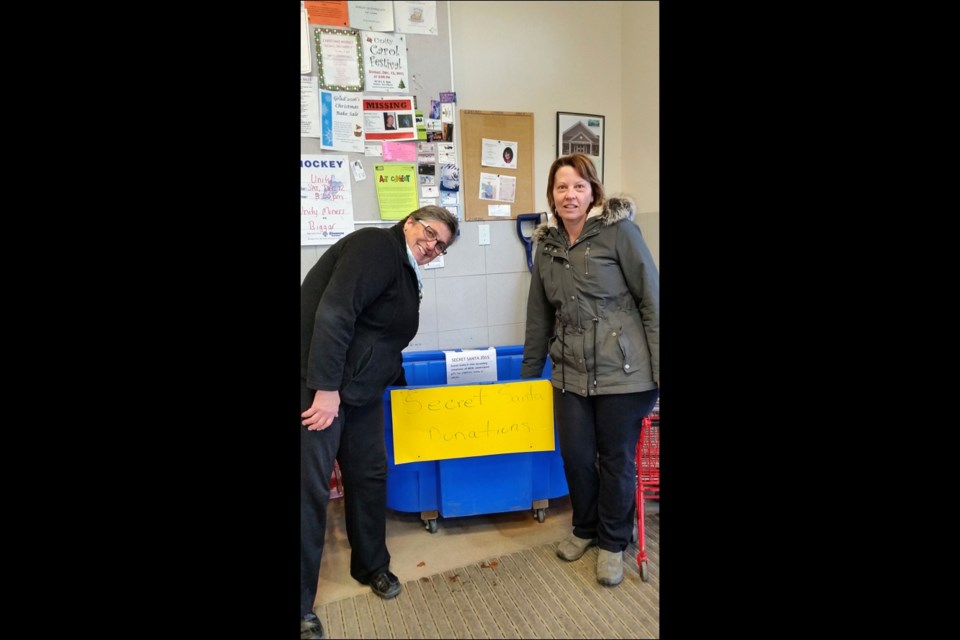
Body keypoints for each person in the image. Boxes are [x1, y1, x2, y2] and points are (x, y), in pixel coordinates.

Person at [300, 205, 459, 639]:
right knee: (309, 489)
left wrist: (399, 384)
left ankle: (371, 566)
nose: (431, 246)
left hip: (359, 391)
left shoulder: (406, 270)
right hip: (319, 386)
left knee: (369, 474)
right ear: (409, 222)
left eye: (440, 245)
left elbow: (382, 337)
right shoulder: (376, 246)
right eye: (429, 233)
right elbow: (334, 313)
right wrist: (326, 388)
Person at [520, 153, 659, 588]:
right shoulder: (546, 246)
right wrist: (528, 376)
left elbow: (651, 300)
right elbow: (538, 316)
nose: (570, 195)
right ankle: (586, 528)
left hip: (624, 370)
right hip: (569, 372)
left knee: (615, 460)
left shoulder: (620, 234)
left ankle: (614, 541)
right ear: (552, 195)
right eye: (562, 187)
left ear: (593, 191)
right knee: (577, 456)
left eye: (578, 186)